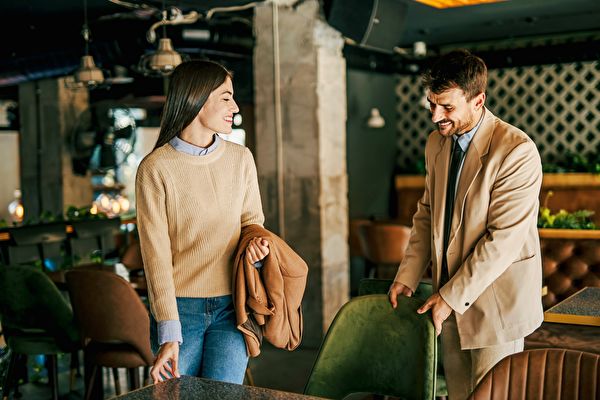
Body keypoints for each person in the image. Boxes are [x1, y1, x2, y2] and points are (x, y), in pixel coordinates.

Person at [388, 49, 543, 400]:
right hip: (448, 294)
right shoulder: (435, 144)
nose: (435, 117)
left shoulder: (516, 150)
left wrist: (449, 297)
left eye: (446, 107)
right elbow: (426, 213)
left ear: (478, 100)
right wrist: (407, 275)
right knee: (459, 394)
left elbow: (501, 241)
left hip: (498, 303)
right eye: (431, 105)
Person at [135, 60, 270, 384]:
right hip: (182, 310)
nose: (235, 107)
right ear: (197, 98)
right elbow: (156, 259)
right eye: (226, 97)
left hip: (233, 306)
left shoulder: (241, 159)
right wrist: (169, 332)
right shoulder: (156, 168)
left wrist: (257, 247)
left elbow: (252, 221)